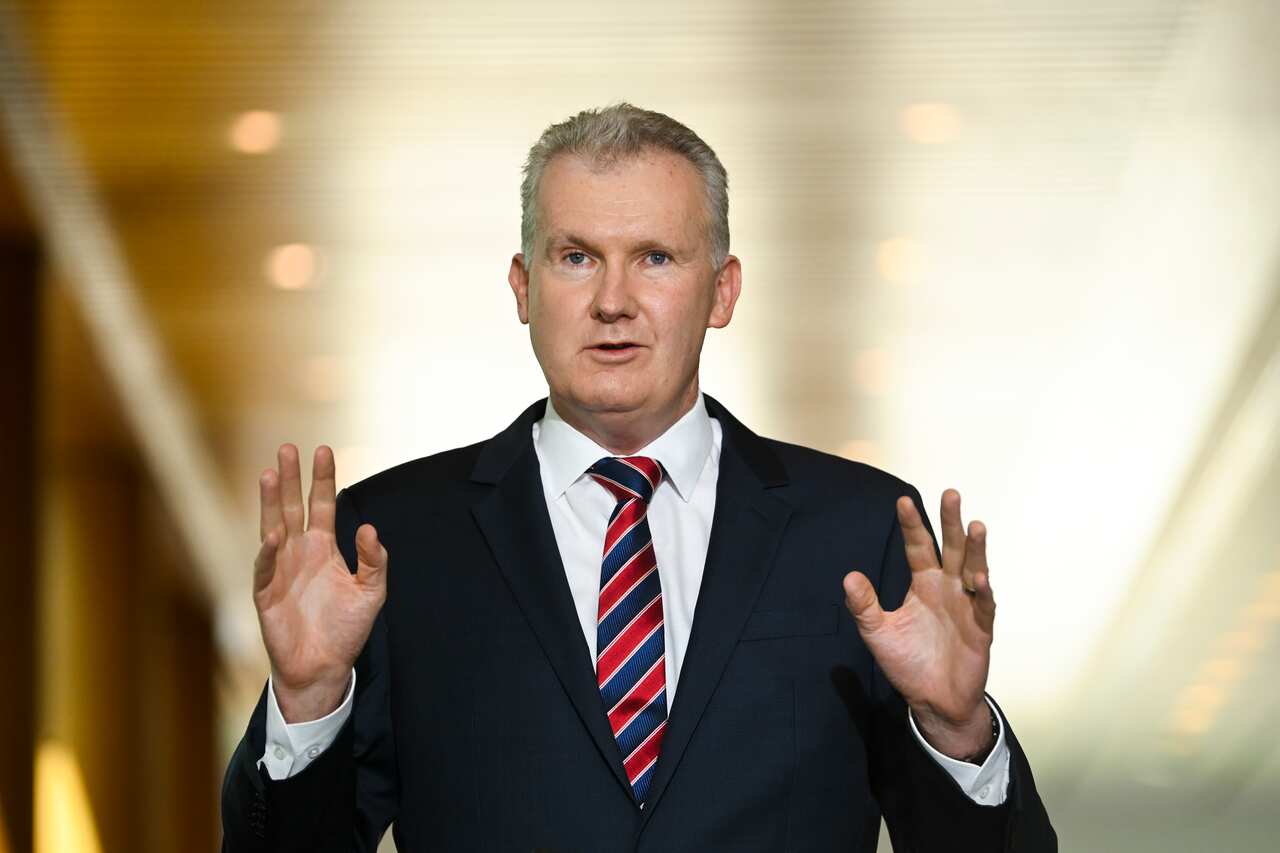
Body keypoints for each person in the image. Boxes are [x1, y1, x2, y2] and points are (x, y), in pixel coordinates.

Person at [220, 103, 1056, 852]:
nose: (613, 300)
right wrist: (309, 700)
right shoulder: (391, 543)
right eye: (577, 257)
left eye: (655, 257)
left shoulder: (859, 530)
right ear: (523, 286)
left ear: (721, 291)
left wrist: (956, 730)